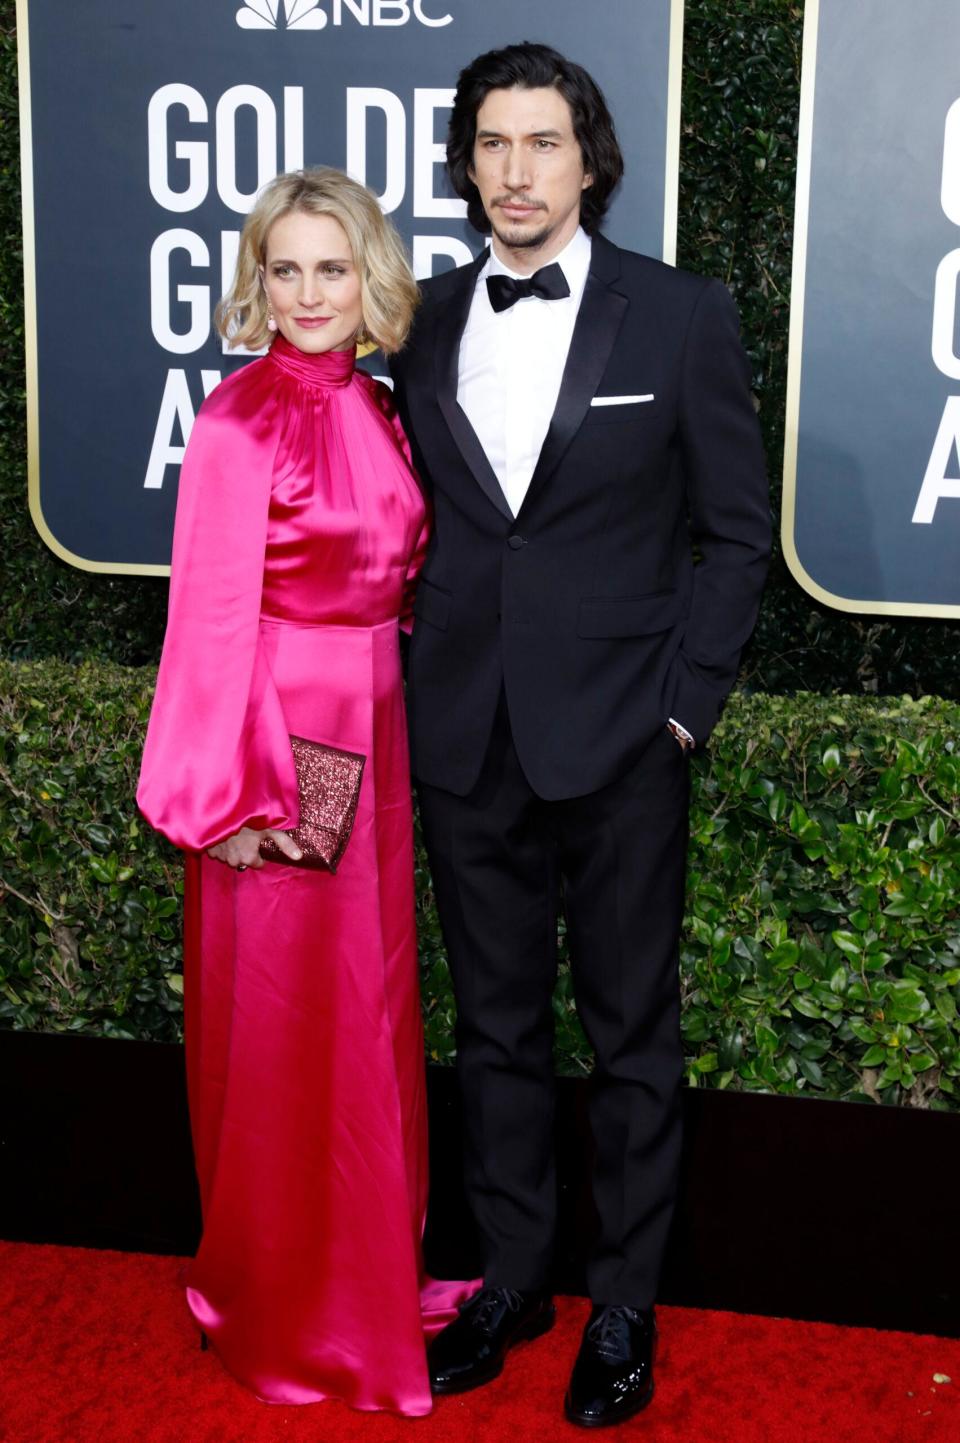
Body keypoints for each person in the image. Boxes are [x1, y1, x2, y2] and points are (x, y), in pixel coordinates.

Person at [389, 42, 771, 1428]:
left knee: (630, 1038)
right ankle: (513, 1277)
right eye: (491, 143)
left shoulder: (678, 316)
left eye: (540, 141)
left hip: (621, 739)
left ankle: (622, 1297)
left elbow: (735, 533)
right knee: (492, 1030)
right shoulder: (418, 319)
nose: (513, 170)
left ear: (590, 158)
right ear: (466, 162)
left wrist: (684, 709)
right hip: (464, 732)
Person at [138, 167, 472, 1416]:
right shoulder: (235, 424)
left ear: (369, 275)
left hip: (372, 737)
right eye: (287, 269)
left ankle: (369, 1279)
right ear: (257, 282)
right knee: (284, 1035)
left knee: (371, 1021)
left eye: (334, 268)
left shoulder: (384, 408)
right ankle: (283, 1307)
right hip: (279, 752)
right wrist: (226, 801)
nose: (310, 293)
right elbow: (210, 625)